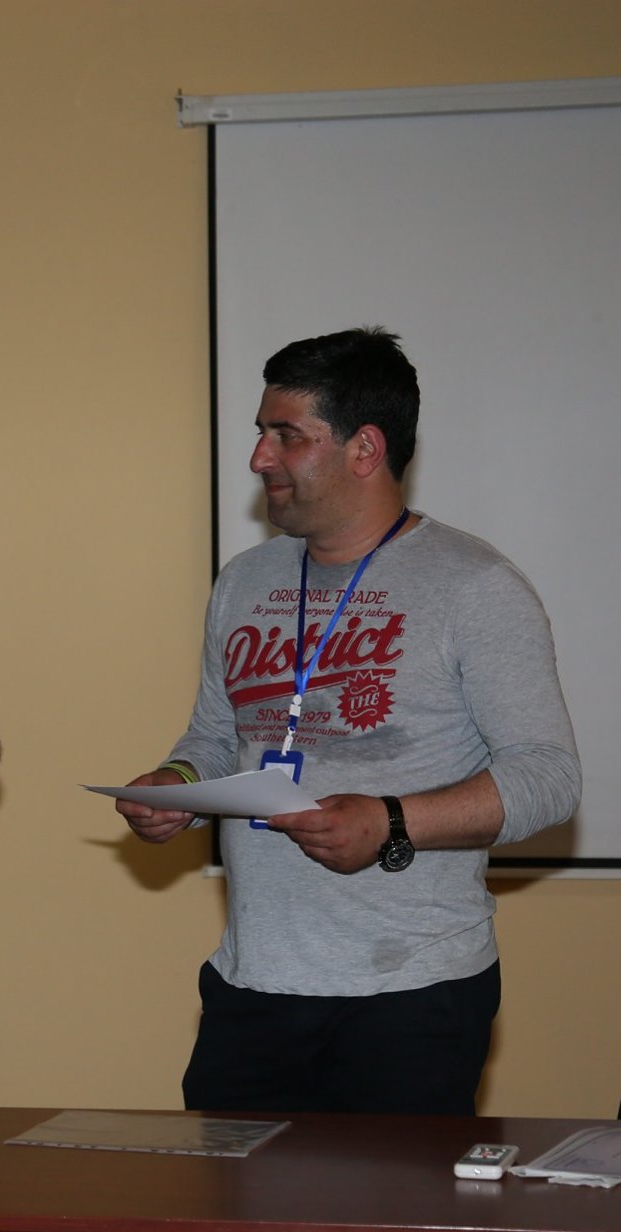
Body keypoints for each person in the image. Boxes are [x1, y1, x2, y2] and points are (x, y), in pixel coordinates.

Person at [116, 327, 578, 1117]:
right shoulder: (244, 581)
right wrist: (178, 784)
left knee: (386, 1202)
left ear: (365, 448)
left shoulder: (476, 586)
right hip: (252, 986)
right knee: (225, 1198)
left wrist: (389, 819)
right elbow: (217, 735)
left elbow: (549, 777)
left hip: (409, 995)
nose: (259, 457)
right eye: (261, 432)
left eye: (286, 435)